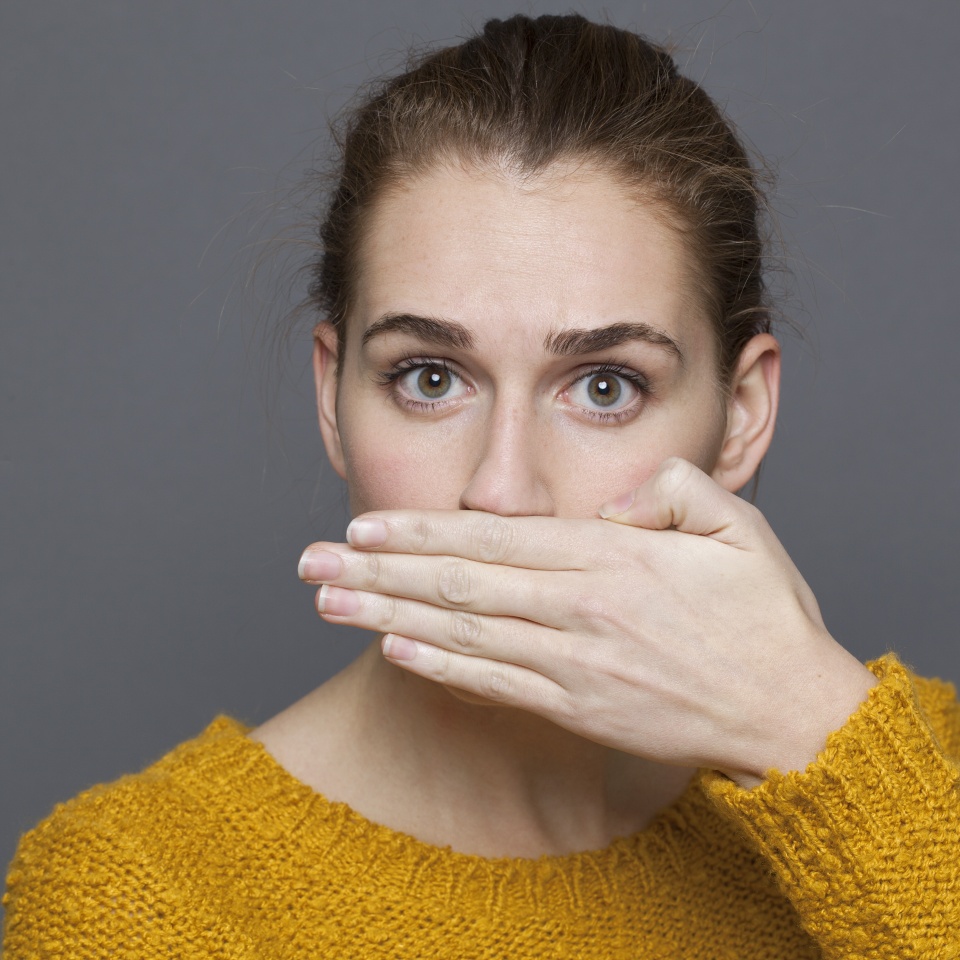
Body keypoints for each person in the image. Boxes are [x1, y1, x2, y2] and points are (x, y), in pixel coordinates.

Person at [3, 13, 958, 958]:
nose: (501, 491)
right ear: (334, 400)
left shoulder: (919, 774)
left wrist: (814, 737)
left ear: (741, 413)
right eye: (429, 378)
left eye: (604, 386)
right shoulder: (134, 898)